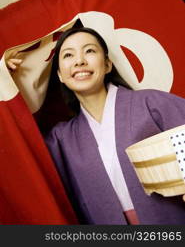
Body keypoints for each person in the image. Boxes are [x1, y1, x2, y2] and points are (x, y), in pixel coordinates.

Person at [6, 26, 185, 225]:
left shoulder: (151, 103)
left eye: (89, 51)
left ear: (107, 64)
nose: (79, 61)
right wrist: (5, 85)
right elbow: (18, 157)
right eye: (68, 55)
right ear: (59, 75)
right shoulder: (61, 139)